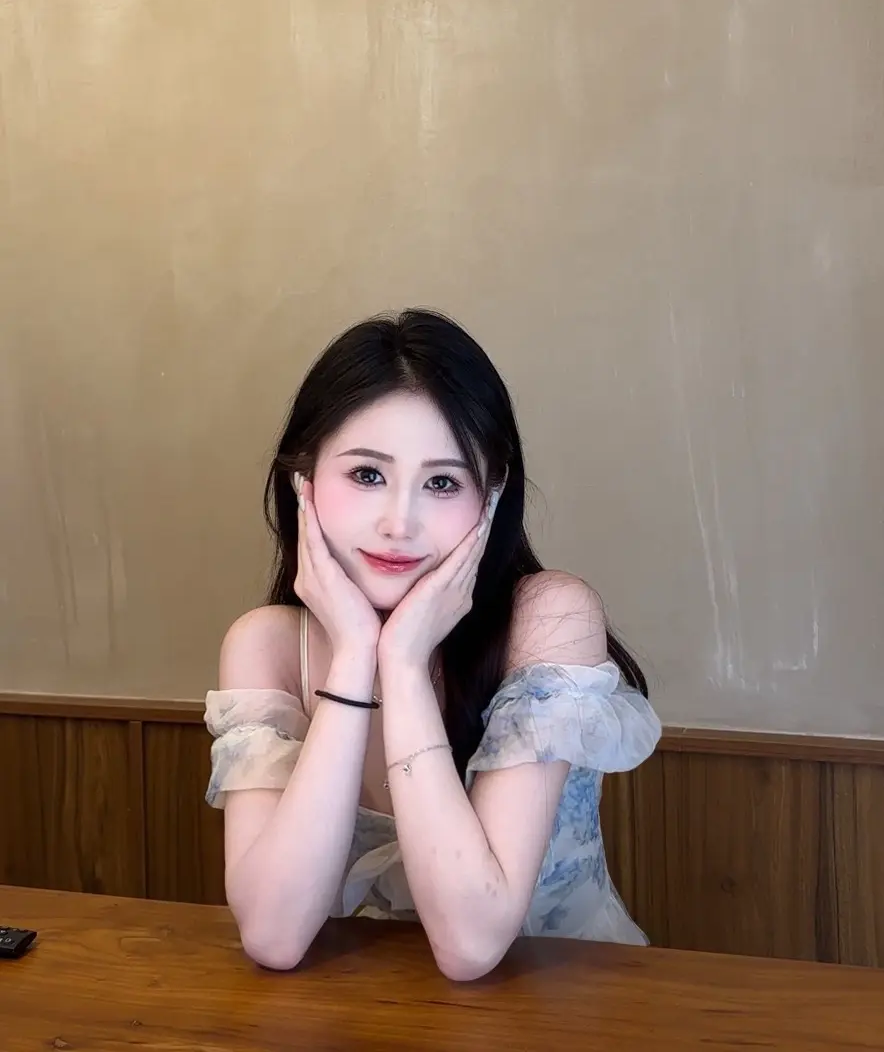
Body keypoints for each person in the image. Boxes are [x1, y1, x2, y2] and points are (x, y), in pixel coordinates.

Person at [204, 308, 661, 980]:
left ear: (491, 499)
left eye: (443, 483)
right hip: (365, 1011)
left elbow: (472, 945)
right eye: (367, 475)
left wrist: (404, 664)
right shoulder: (265, 645)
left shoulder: (550, 616)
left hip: (564, 1006)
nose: (400, 523)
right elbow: (274, 936)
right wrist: (355, 657)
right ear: (304, 482)